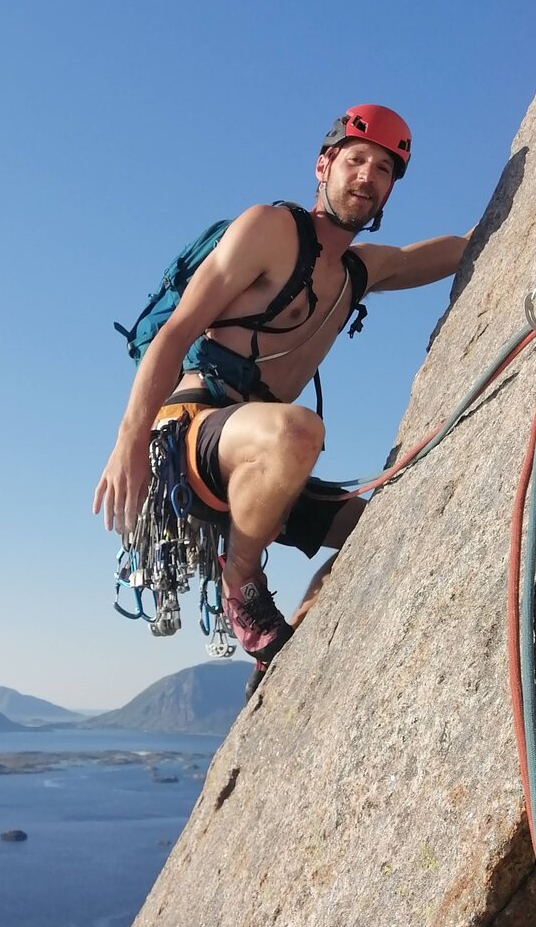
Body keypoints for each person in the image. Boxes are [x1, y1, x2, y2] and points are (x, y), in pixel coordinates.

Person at [93, 105, 471, 696]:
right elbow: (175, 333)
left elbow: (442, 253)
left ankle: (281, 655)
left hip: (264, 469)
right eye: (355, 160)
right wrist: (128, 442)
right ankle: (241, 587)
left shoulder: (358, 272)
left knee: (388, 533)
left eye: (383, 170)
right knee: (299, 431)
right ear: (324, 165)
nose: (367, 177)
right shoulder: (270, 230)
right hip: (196, 437)